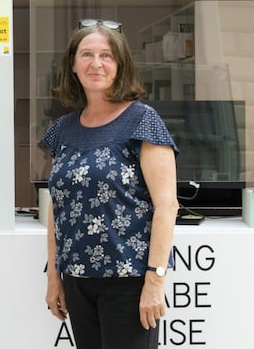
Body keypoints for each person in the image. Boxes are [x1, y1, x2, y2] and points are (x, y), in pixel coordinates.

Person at [41, 19, 179, 349]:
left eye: (106, 55)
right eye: (87, 54)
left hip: (129, 281)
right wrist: (54, 277)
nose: (96, 63)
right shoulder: (63, 129)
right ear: (73, 65)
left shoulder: (142, 120)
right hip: (77, 282)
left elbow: (166, 205)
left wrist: (154, 281)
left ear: (119, 65)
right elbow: (56, 207)